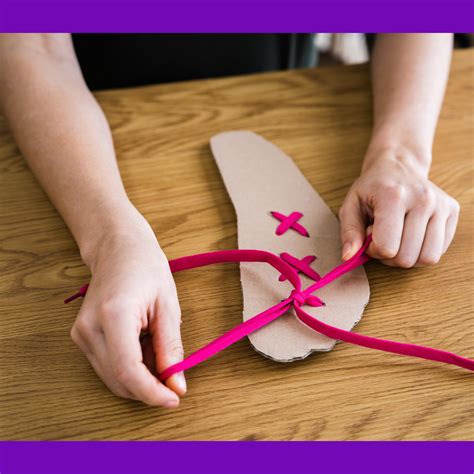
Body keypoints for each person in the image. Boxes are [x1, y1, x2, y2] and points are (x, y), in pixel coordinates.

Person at [0, 33, 459, 408]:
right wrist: (111, 240)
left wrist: (401, 155)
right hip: (89, 103)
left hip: (283, 87)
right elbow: (31, 42)